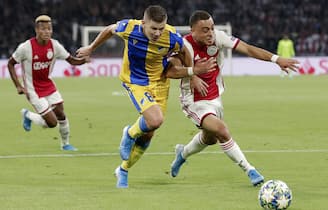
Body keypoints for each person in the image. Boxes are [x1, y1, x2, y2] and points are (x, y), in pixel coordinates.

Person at [76, 5, 215, 188]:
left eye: (161, 28)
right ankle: (129, 132)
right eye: (153, 28)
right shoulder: (130, 28)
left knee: (149, 133)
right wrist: (91, 47)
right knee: (155, 119)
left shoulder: (172, 37)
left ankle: (123, 170)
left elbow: (185, 52)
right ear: (143, 24)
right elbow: (110, 29)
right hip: (135, 82)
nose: (157, 33)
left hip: (160, 83)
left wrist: (192, 75)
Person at [166, 10, 299, 186]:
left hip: (214, 97)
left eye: (212, 28)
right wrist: (192, 74)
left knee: (210, 138)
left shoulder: (218, 38)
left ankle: (182, 154)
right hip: (194, 101)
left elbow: (248, 48)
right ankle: (250, 169)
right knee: (221, 130)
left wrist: (276, 59)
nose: (210, 33)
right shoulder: (183, 46)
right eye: (205, 30)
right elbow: (172, 70)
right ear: (192, 31)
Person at [7, 15, 89, 151]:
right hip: (33, 89)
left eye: (49, 29)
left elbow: (71, 60)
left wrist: (83, 60)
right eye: (43, 29)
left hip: (48, 85)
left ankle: (65, 144)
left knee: (61, 114)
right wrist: (18, 86)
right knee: (52, 123)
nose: (46, 32)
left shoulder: (55, 45)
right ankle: (28, 115)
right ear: (36, 30)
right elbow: (10, 64)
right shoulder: (25, 48)